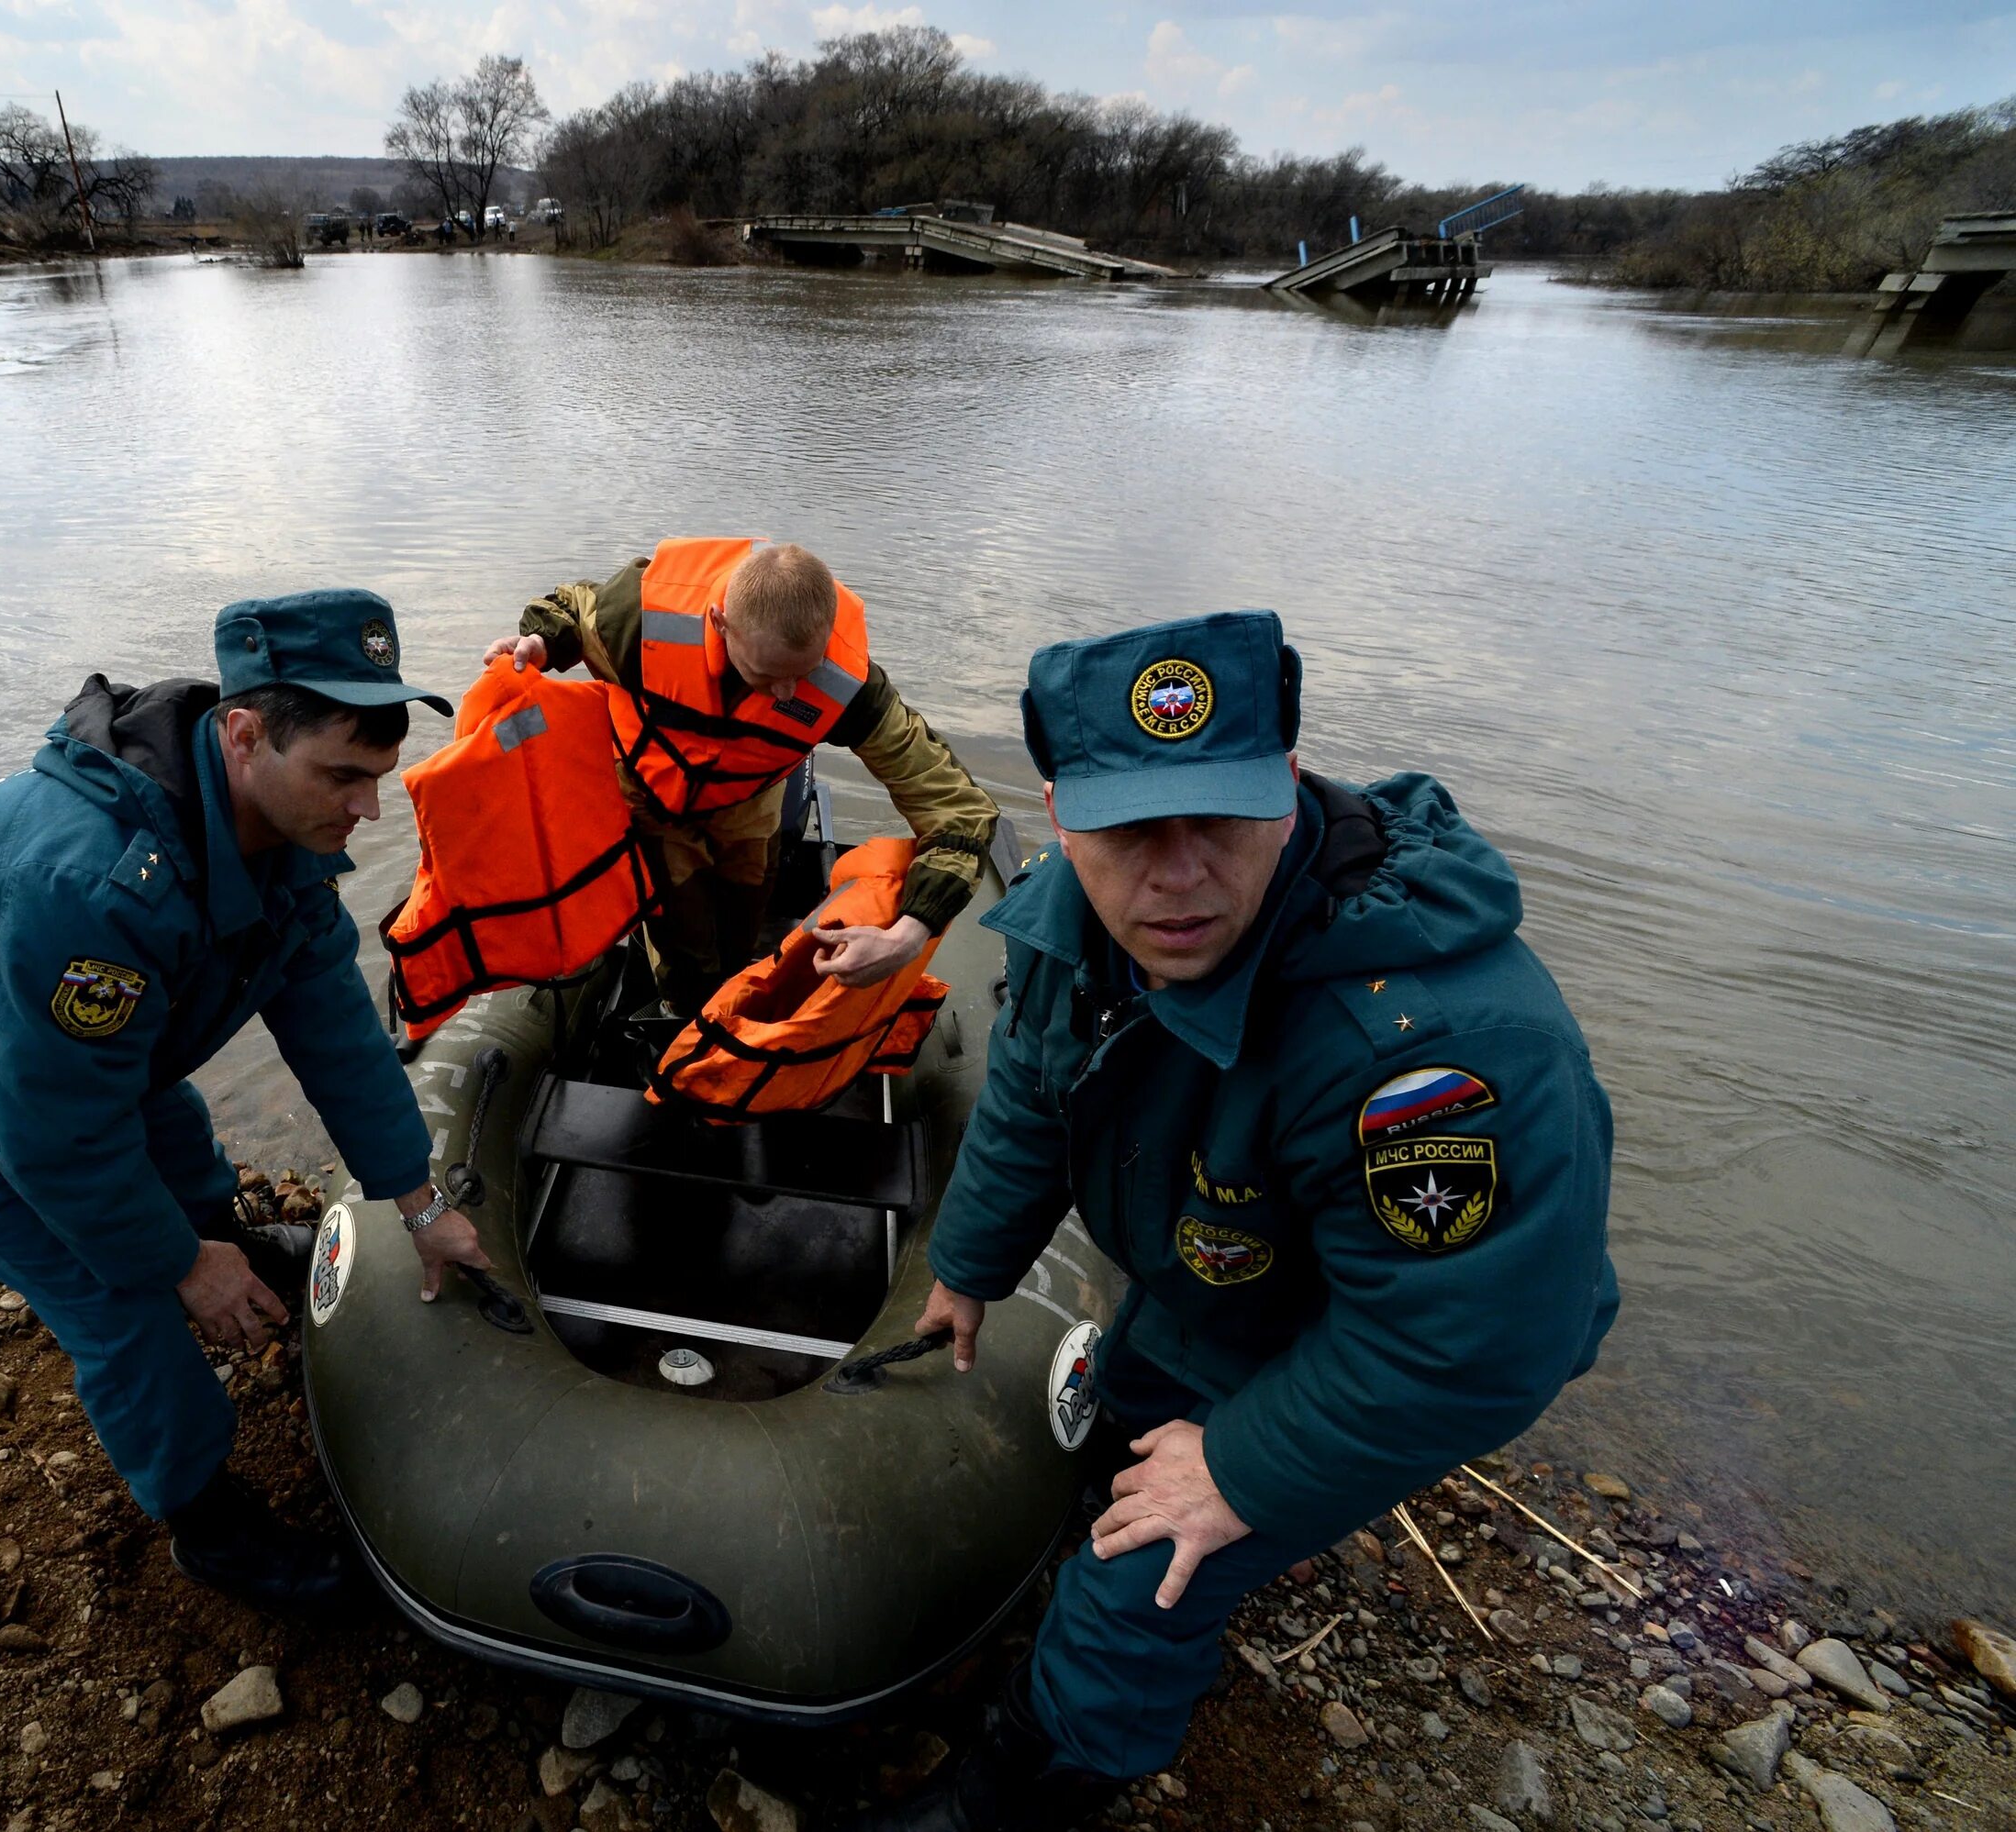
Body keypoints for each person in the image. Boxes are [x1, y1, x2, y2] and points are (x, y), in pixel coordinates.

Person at [854, 612, 1618, 1829]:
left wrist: (1243, 1466)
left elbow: (1474, 1343)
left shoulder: (1437, 1054)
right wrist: (968, 1266)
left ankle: (1035, 1781)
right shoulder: (1074, 921)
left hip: (1389, 1330)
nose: (1178, 874)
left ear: (1290, 788)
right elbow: (1031, 1098)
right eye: (1129, 829)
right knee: (1135, 1412)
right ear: (1058, 814)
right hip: (1215, 1255)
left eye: (1220, 818)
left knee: (1145, 1565)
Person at [0, 590, 492, 1611]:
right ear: (244, 733)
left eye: (378, 776)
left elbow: (331, 1022)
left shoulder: (273, 829)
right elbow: (54, 1137)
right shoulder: (89, 888)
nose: (368, 809)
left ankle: (217, 1234)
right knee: (109, 1287)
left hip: (22, 1024)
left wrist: (418, 1201)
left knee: (163, 1120)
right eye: (343, 774)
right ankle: (210, 1523)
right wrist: (179, 1264)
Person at [488, 538, 1000, 1013]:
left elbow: (957, 808)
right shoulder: (637, 621)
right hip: (653, 802)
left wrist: (910, 933)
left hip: (750, 803)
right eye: (767, 674)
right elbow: (571, 609)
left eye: (802, 675)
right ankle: (679, 1018)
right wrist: (543, 641)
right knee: (686, 951)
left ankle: (729, 993)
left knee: (741, 932)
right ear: (720, 621)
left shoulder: (850, 687)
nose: (786, 694)